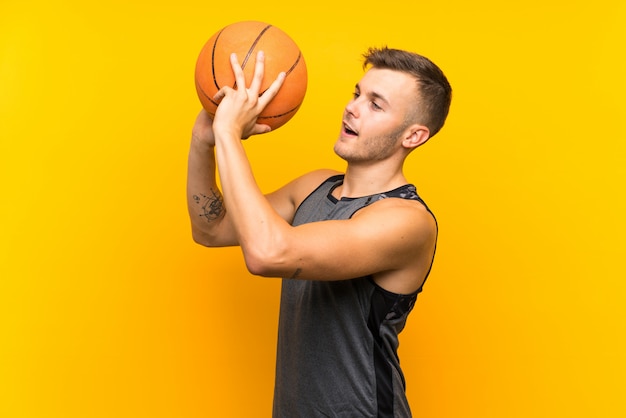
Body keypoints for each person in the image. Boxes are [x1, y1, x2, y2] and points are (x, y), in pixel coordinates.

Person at [187, 46, 452, 417]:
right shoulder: (314, 186)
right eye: (357, 94)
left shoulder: (406, 221)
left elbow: (268, 254)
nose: (353, 107)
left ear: (413, 136)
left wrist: (229, 134)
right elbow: (210, 228)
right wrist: (204, 141)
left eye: (376, 105)